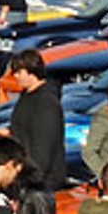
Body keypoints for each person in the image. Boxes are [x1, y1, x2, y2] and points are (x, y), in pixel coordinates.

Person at [5, 49, 68, 197]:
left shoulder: (46, 102)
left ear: (31, 72)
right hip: (26, 175)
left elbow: (44, 147)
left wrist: (31, 180)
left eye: (19, 72)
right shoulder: (27, 95)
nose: (15, 76)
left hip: (43, 183)